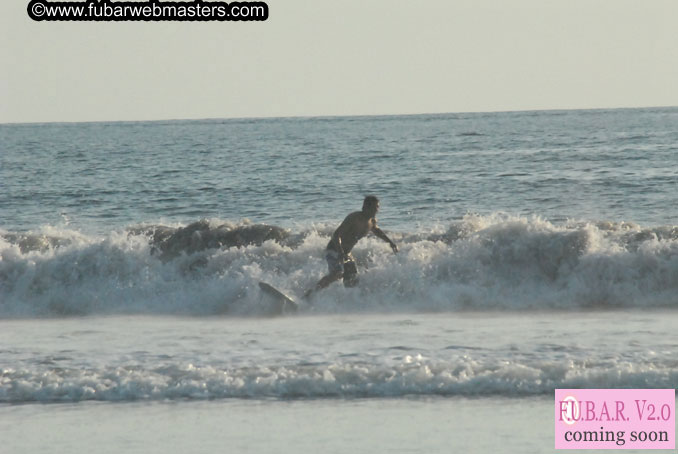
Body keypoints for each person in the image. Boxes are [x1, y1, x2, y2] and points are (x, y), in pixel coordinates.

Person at [304, 195, 398, 298]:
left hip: (346, 253)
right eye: (375, 207)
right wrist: (340, 252)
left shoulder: (372, 221)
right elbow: (336, 235)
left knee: (352, 280)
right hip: (334, 249)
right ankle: (311, 293)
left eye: (378, 207)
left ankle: (347, 303)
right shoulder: (354, 218)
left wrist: (391, 243)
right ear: (366, 207)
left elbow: (377, 231)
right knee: (337, 273)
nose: (377, 210)